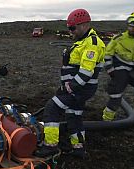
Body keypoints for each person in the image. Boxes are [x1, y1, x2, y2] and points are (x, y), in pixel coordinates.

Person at [35, 9, 105, 158]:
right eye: (69, 28)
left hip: (80, 89)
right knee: (74, 116)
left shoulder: (92, 44)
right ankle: (79, 148)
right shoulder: (82, 42)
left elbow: (86, 73)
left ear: (84, 25)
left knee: (52, 108)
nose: (70, 32)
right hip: (79, 89)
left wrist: (68, 88)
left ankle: (50, 145)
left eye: (72, 28)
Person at [102, 11, 134, 121]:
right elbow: (107, 55)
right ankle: (107, 120)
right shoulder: (119, 39)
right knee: (116, 95)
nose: (132, 29)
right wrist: (111, 71)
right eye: (130, 26)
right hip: (120, 69)